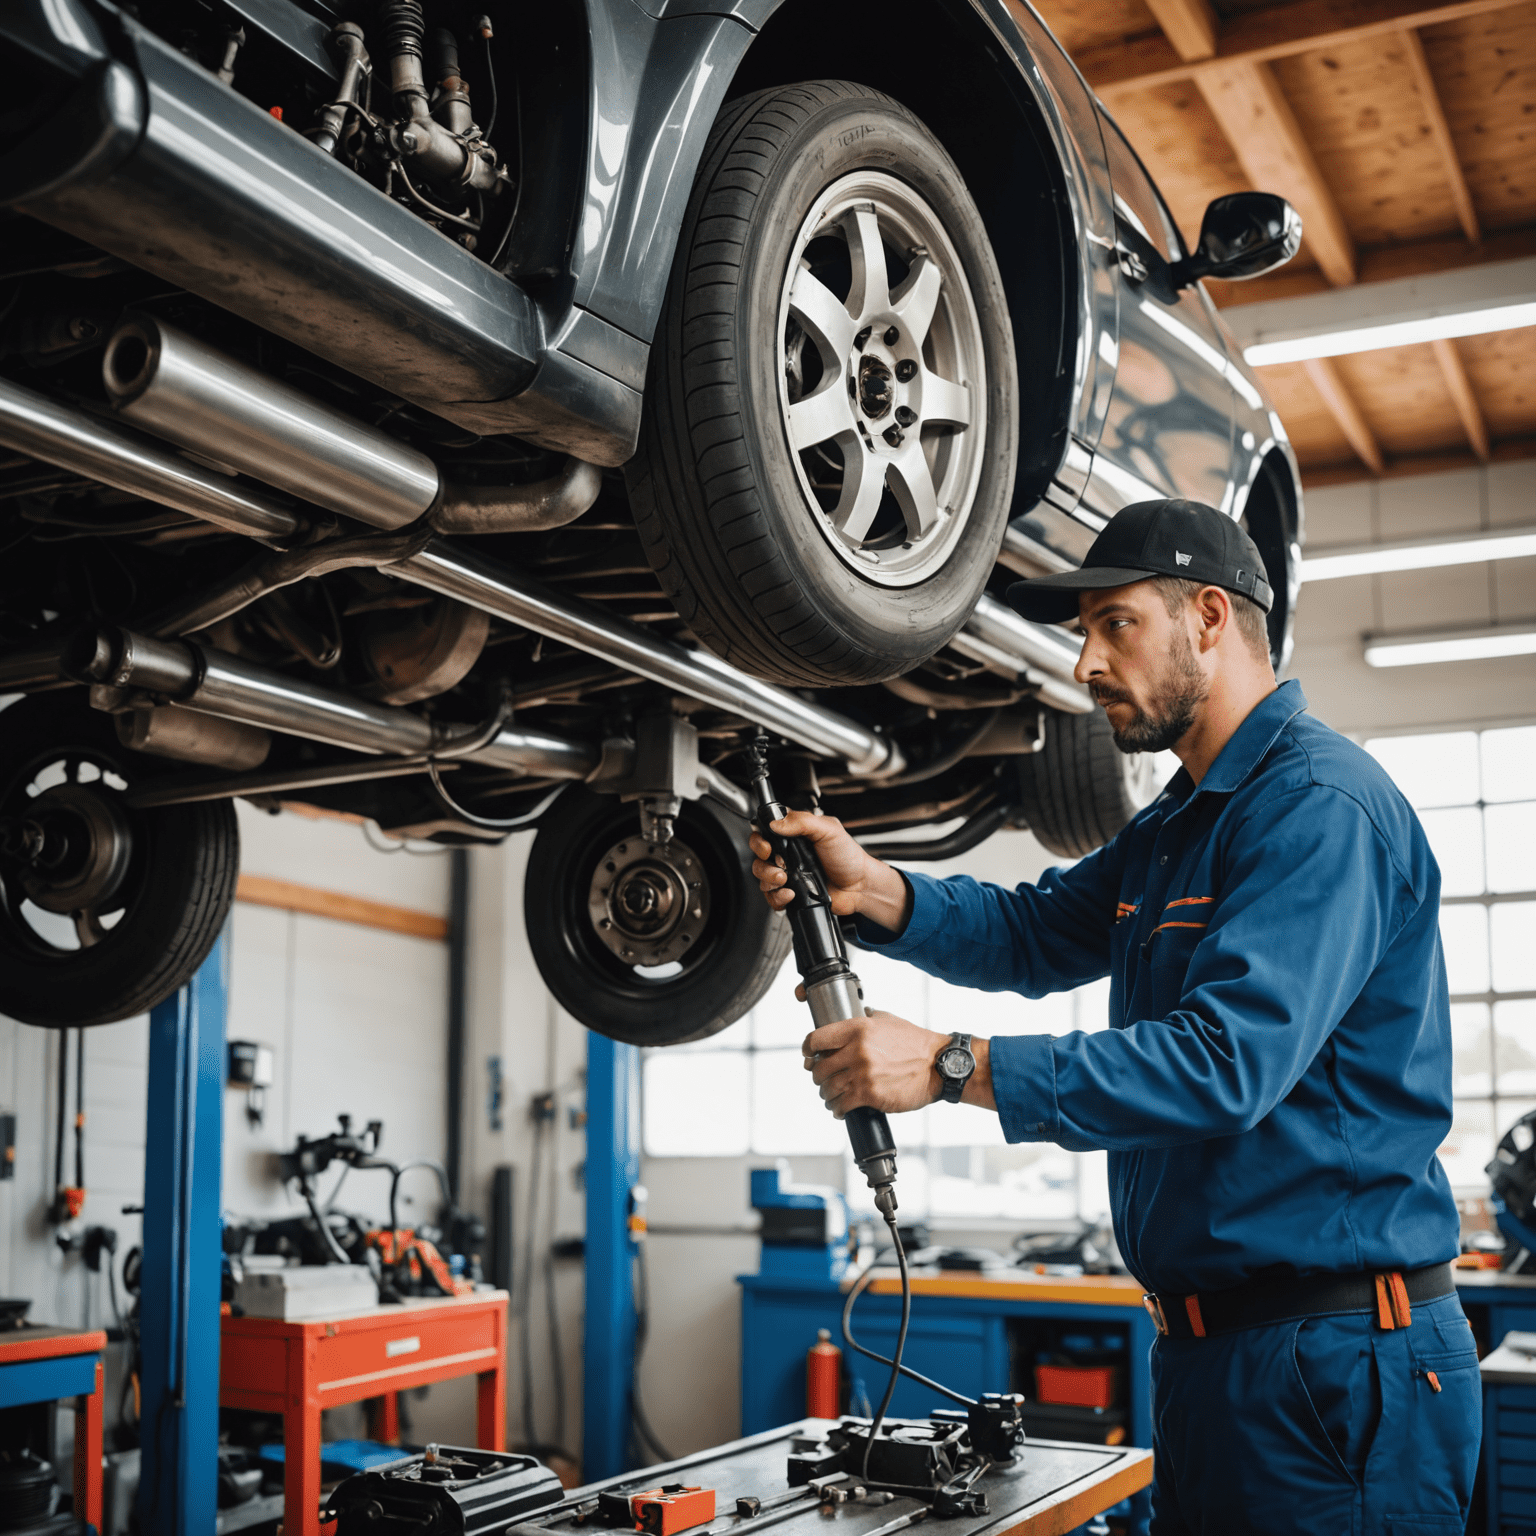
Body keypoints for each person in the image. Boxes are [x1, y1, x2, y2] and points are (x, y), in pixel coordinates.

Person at [749, 499, 1480, 1536]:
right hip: (1210, 1359)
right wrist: (875, 890)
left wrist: (953, 1065)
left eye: (1114, 624)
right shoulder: (1180, 825)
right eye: (1081, 631)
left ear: (1212, 617)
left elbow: (1224, 1062)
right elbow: (1036, 932)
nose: (1084, 662)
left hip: (1336, 1363)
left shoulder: (1321, 807)